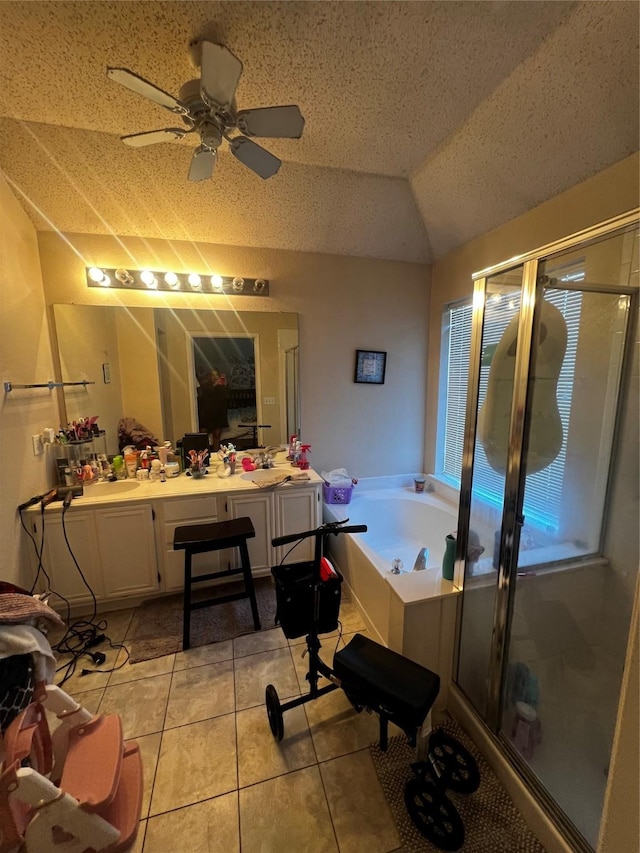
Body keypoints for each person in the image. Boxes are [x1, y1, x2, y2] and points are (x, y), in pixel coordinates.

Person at [197, 368, 228, 451]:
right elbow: (205, 394)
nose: (214, 377)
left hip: (219, 413)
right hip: (207, 413)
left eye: (216, 375)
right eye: (212, 375)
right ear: (209, 377)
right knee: (203, 434)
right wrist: (215, 384)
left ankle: (216, 452)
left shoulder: (221, 386)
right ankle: (203, 454)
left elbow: (226, 397)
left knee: (217, 435)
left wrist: (225, 385)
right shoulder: (205, 386)